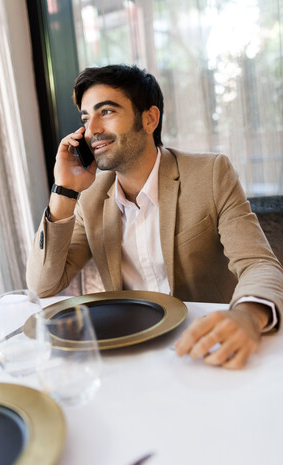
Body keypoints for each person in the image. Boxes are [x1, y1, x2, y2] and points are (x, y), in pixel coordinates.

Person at [26, 64, 283, 369]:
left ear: (149, 119)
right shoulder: (90, 197)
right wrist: (64, 192)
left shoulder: (211, 174)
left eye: (106, 111)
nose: (91, 128)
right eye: (85, 117)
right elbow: (43, 286)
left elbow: (258, 263)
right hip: (130, 352)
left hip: (208, 343)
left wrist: (247, 316)